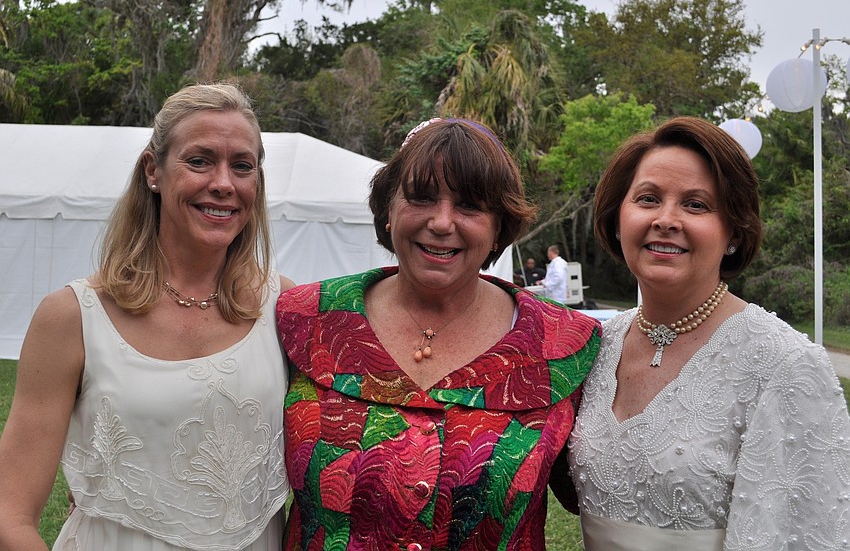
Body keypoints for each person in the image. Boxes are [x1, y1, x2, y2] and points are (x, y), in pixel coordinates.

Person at [276, 117, 601, 550]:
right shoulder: (308, 319)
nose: (442, 222)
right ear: (387, 210)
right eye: (422, 198)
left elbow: (605, 495)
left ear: (498, 227)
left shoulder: (562, 343)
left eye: (469, 205)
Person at [0, 83, 292, 550]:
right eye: (199, 161)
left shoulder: (288, 309)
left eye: (242, 166)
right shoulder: (72, 317)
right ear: (153, 170)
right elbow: (9, 512)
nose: (223, 183)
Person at [563, 116, 850, 549]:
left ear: (734, 232)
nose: (666, 219)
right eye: (647, 198)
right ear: (618, 217)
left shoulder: (785, 365)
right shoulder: (594, 348)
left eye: (696, 205)